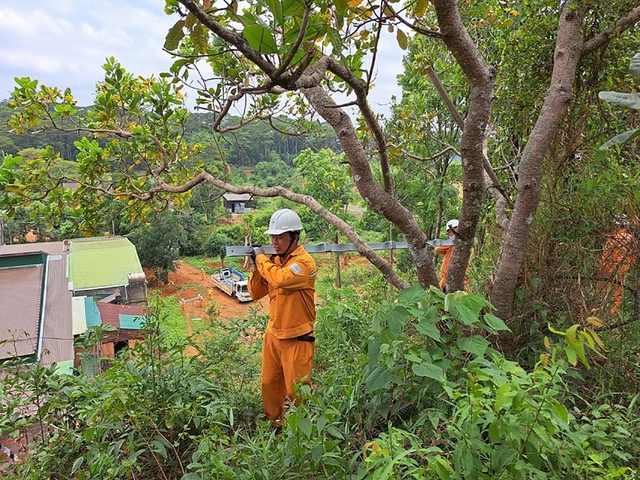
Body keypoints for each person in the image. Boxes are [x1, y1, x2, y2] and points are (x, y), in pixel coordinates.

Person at [248, 208, 318, 427]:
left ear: (294, 237)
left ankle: (306, 429)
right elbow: (255, 293)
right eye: (272, 237)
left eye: (279, 237)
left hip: (297, 336)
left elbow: (280, 280)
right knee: (269, 384)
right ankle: (275, 425)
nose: (275, 242)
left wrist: (261, 260)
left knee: (296, 389)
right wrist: (257, 268)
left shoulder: (303, 263)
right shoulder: (274, 263)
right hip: (274, 334)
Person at [598, 216, 637, 315]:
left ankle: (599, 311)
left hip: (606, 268)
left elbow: (605, 255)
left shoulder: (612, 238)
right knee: (617, 292)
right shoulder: (631, 239)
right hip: (621, 269)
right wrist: (627, 267)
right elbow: (633, 257)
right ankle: (612, 313)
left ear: (616, 225)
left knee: (602, 290)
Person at [433, 219, 470, 292]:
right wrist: (451, 243)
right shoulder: (448, 248)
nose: (450, 233)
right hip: (445, 281)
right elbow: (437, 249)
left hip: (461, 282)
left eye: (452, 231)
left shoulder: (467, 247)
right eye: (449, 232)